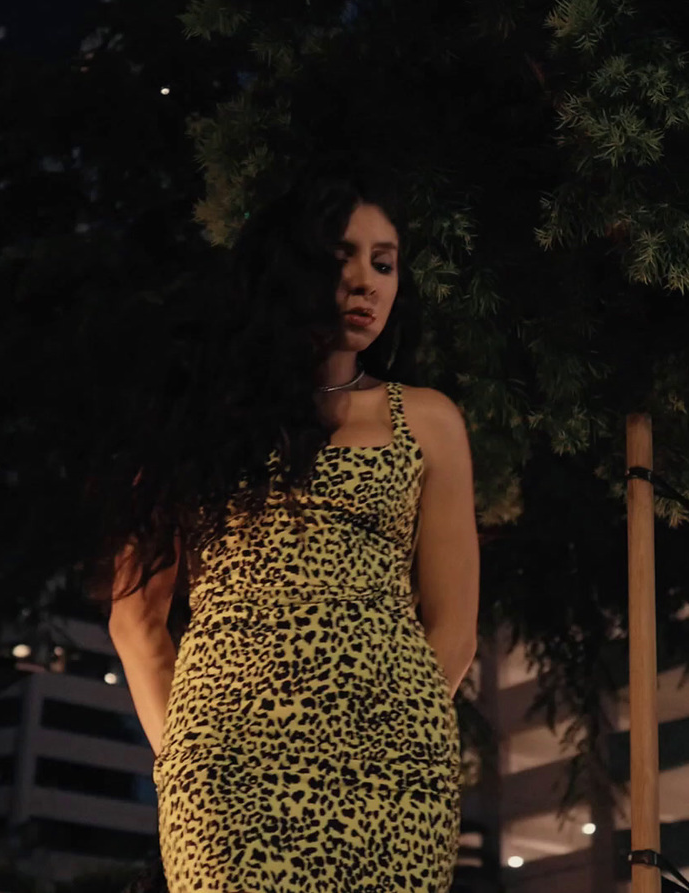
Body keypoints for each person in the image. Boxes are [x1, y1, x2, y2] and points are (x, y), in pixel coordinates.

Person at [95, 159, 480, 892]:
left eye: (385, 263)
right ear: (291, 266)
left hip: (393, 770)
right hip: (227, 762)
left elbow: (454, 626)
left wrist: (399, 735)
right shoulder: (197, 415)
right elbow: (135, 618)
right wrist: (186, 753)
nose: (368, 281)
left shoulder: (427, 420)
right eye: (343, 257)